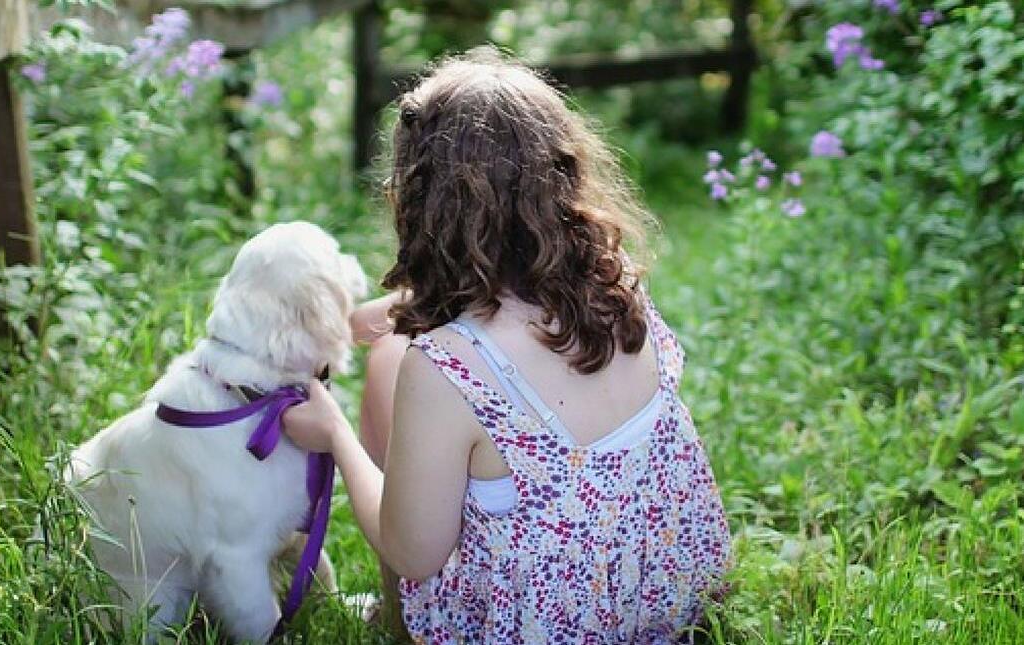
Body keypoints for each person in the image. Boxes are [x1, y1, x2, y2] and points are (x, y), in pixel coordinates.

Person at [283, 51, 731, 643]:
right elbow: (498, 311)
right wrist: (357, 321)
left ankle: (396, 623)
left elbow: (413, 555)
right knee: (393, 348)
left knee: (391, 362)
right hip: (664, 604)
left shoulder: (444, 368)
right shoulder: (616, 285)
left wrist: (336, 435)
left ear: (424, 201)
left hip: (540, 629)